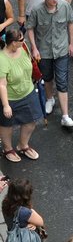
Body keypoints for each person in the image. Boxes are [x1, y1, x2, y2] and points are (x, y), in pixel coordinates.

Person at [26, 0, 73, 128]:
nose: (55, 0)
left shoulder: (65, 6)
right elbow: (30, 28)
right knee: (47, 77)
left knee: (62, 81)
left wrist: (71, 43)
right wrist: (34, 48)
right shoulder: (36, 11)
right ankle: (49, 99)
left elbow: (71, 22)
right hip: (44, 51)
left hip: (61, 51)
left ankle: (65, 116)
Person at [0, 28, 42, 163]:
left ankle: (23, 145)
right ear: (13, 43)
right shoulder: (2, 60)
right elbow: (2, 85)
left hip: (28, 92)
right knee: (7, 125)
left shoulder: (23, 47)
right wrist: (6, 105)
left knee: (31, 122)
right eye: (21, 40)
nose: (24, 41)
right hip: (10, 98)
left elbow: (29, 63)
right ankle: (7, 149)